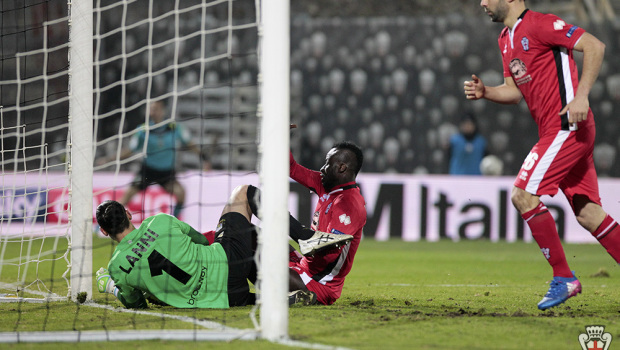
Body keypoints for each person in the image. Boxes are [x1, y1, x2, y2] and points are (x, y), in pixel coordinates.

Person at [464, 0, 619, 310]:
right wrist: (488, 92)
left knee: (522, 195)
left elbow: (594, 46)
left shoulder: (540, 24)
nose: (481, 2)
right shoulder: (505, 39)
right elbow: (515, 91)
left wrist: (582, 96)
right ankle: (565, 276)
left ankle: (564, 277)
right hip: (558, 130)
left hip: (567, 124)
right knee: (589, 214)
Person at [95, 186, 352, 309]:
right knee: (244, 194)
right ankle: (305, 237)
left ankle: (272, 299)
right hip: (226, 263)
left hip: (220, 300)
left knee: (251, 239)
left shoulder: (117, 267)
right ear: (129, 213)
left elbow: (137, 305)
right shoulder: (159, 221)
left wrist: (110, 286)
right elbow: (197, 238)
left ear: (104, 231)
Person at [287, 138, 367, 305]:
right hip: (304, 267)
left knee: (262, 262)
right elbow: (292, 168)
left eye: (327, 163)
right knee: (259, 240)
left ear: (341, 167)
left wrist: (284, 220)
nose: (322, 169)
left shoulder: (350, 204)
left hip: (319, 283)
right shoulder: (325, 185)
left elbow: (327, 250)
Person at [98, 100, 210, 218]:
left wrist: (203, 156)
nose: (152, 112)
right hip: (148, 171)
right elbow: (130, 150)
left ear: (162, 111)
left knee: (181, 194)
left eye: (155, 109)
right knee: (126, 196)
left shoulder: (174, 128)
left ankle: (172, 223)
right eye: (150, 109)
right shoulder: (143, 130)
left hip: (166, 173)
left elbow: (189, 143)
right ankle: (107, 219)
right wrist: (109, 159)